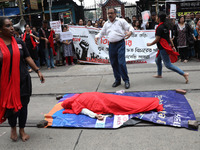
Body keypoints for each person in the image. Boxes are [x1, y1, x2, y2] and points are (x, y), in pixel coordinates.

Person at [0, 18, 45, 142]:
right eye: (7, 26)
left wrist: (37, 71)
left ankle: (22, 129)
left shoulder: (19, 42)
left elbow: (27, 57)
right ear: (0, 30)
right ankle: (13, 128)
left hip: (23, 80)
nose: (11, 28)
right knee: (11, 108)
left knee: (23, 106)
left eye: (11, 26)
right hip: (7, 84)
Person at [95, 7, 134, 89]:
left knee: (121, 63)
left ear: (115, 14)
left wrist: (130, 32)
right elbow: (101, 32)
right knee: (114, 63)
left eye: (111, 13)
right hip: (112, 45)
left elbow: (130, 27)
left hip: (120, 44)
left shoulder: (121, 21)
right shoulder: (106, 24)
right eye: (108, 13)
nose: (110, 15)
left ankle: (126, 80)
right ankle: (117, 80)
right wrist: (97, 37)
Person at [147, 12, 189, 84]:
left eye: (157, 17)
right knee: (157, 60)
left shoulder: (159, 28)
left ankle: (183, 74)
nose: (156, 18)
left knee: (168, 65)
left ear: (159, 18)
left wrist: (150, 44)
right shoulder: (165, 26)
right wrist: (173, 46)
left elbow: (157, 39)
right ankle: (159, 74)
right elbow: (169, 38)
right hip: (164, 47)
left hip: (163, 48)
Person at [61, 92, 163, 120]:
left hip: (102, 103)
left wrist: (95, 115)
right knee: (124, 100)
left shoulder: (75, 104)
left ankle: (151, 104)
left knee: (124, 106)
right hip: (102, 97)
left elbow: (85, 111)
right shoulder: (79, 96)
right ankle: (151, 102)